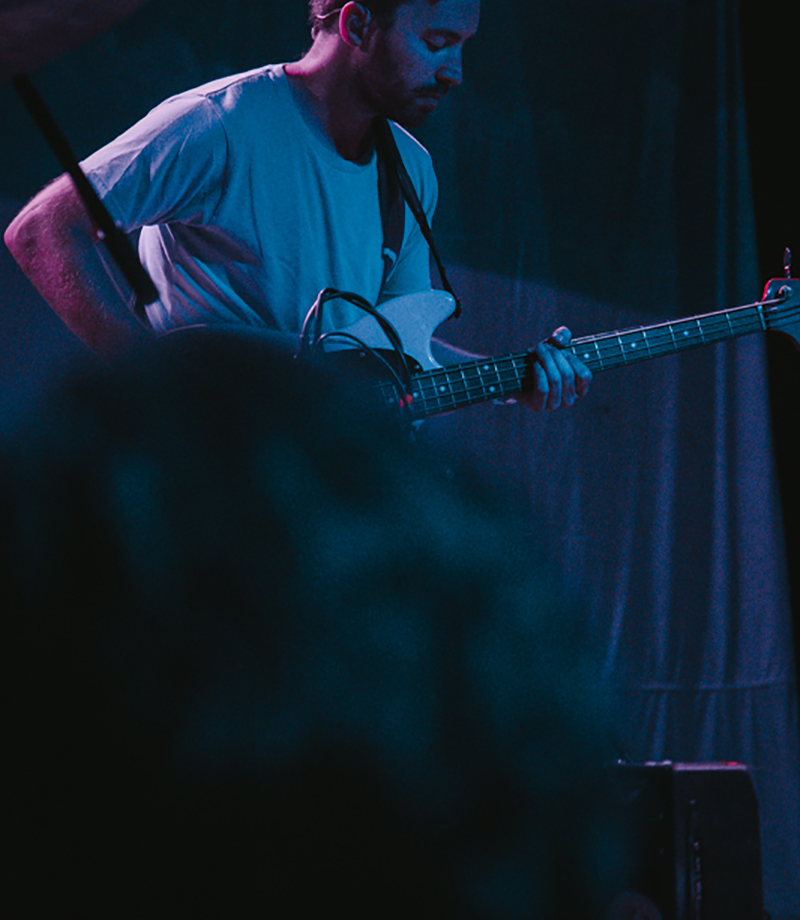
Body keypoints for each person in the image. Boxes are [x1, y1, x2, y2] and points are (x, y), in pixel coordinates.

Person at [1, 332, 626, 916]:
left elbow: (403, 337)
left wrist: (510, 373)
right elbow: (44, 239)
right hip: (214, 488)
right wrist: (167, 386)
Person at [4, 0, 590, 411]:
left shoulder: (412, 171)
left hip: (297, 488)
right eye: (436, 43)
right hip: (199, 478)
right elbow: (41, 229)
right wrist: (153, 387)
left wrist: (515, 378)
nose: (455, 72)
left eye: (462, 47)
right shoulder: (220, 124)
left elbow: (395, 353)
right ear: (356, 24)